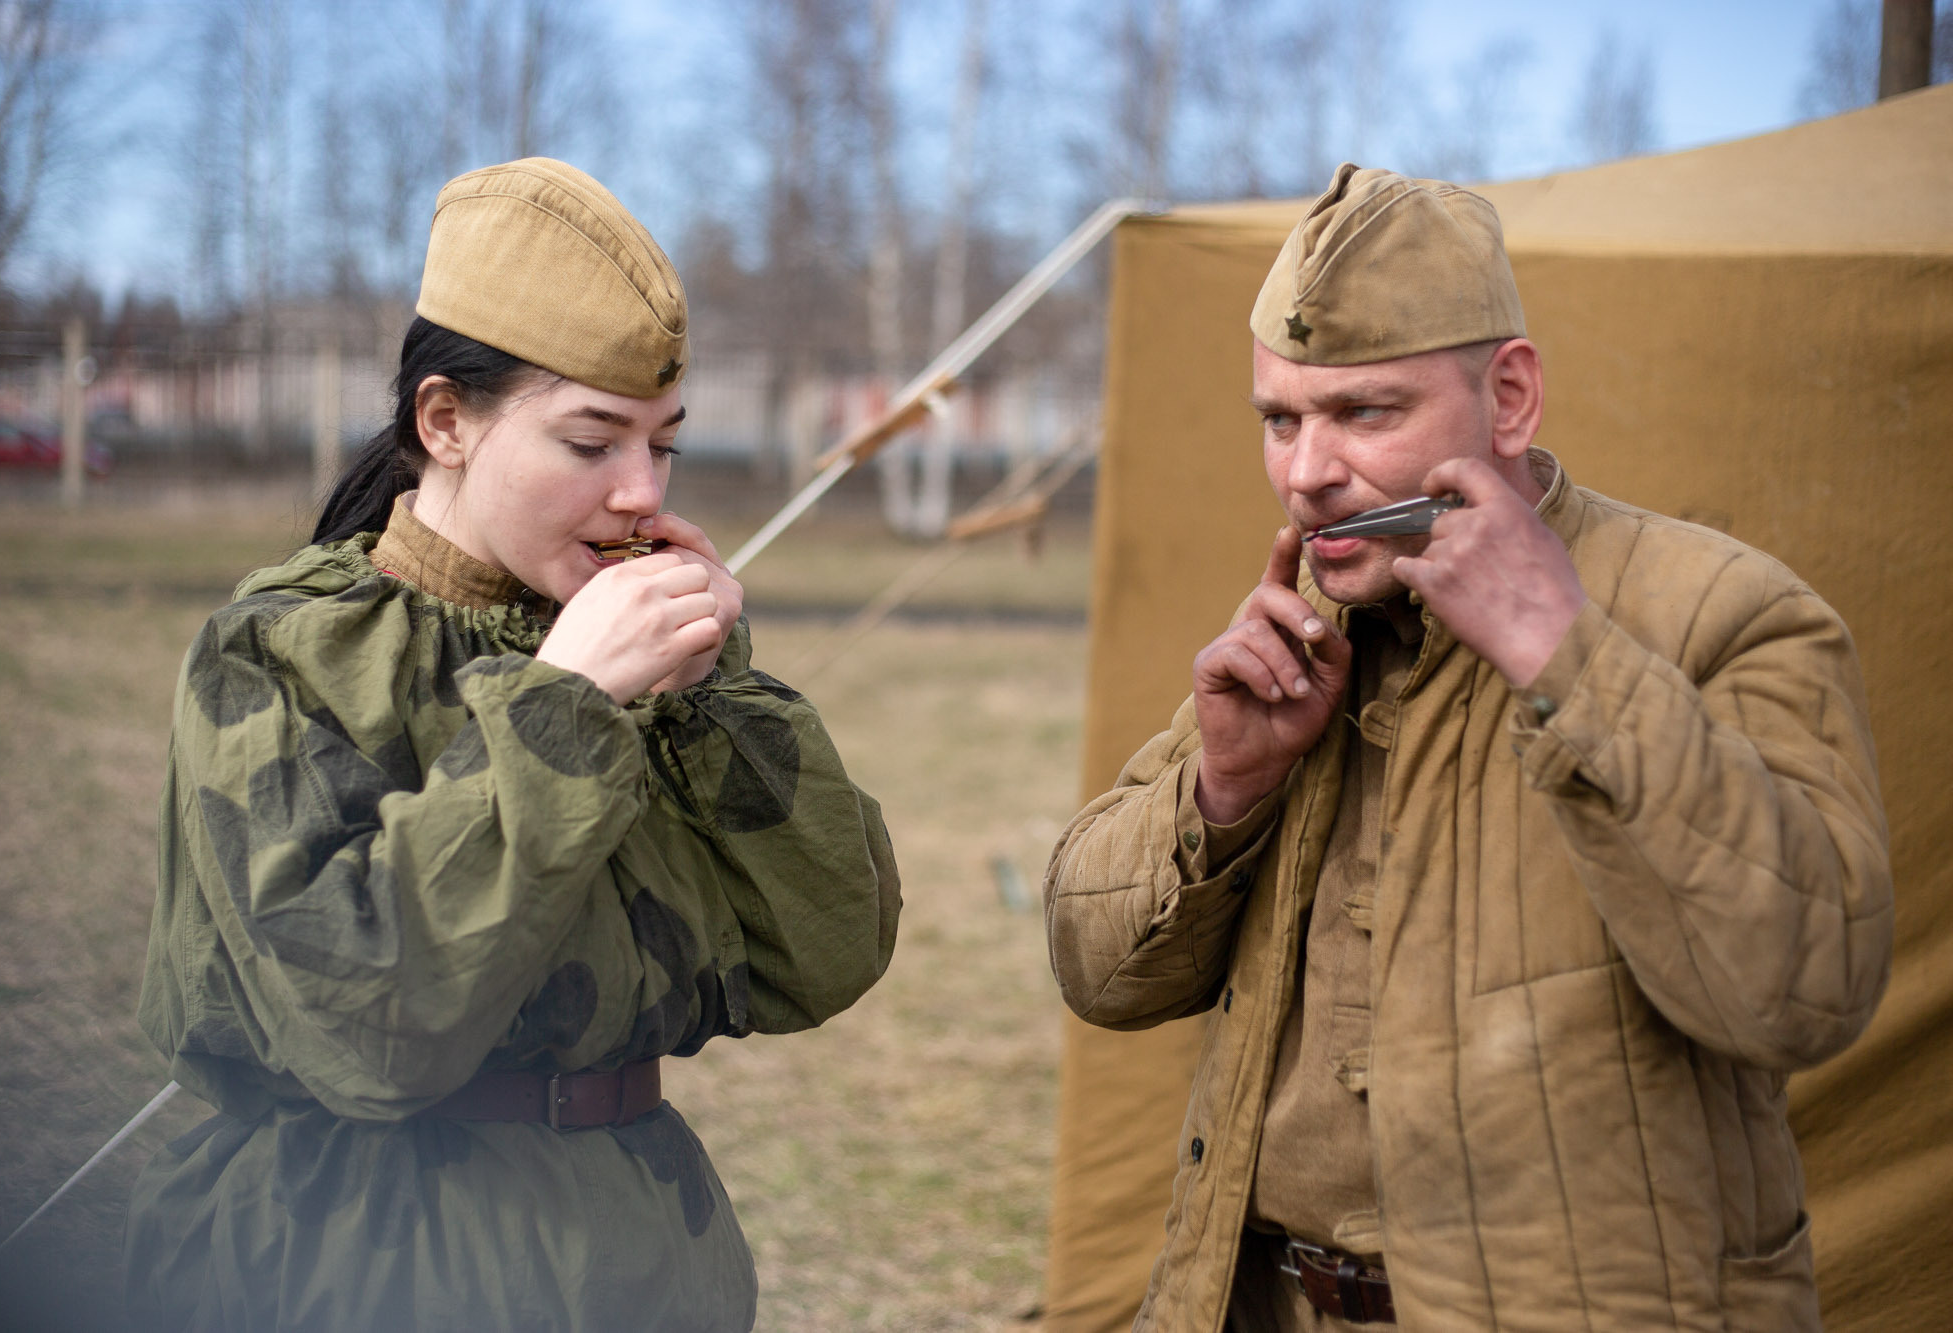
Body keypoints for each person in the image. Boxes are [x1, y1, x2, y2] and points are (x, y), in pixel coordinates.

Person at [1044, 163, 1891, 1331]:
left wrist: (1564, 658)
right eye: (1279, 419)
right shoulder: (1303, 631)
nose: (1306, 475)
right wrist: (1222, 785)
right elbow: (1092, 974)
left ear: (1507, 397)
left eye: (1364, 413)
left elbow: (1803, 989)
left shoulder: (1726, 613)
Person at [122, 158, 900, 1332]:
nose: (641, 492)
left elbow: (824, 950)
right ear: (445, 421)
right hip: (361, 1262)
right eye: (591, 444)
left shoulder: (632, 651)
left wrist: (709, 687)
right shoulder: (280, 652)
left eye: (664, 445)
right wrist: (564, 706)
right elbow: (364, 1023)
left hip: (639, 1255)